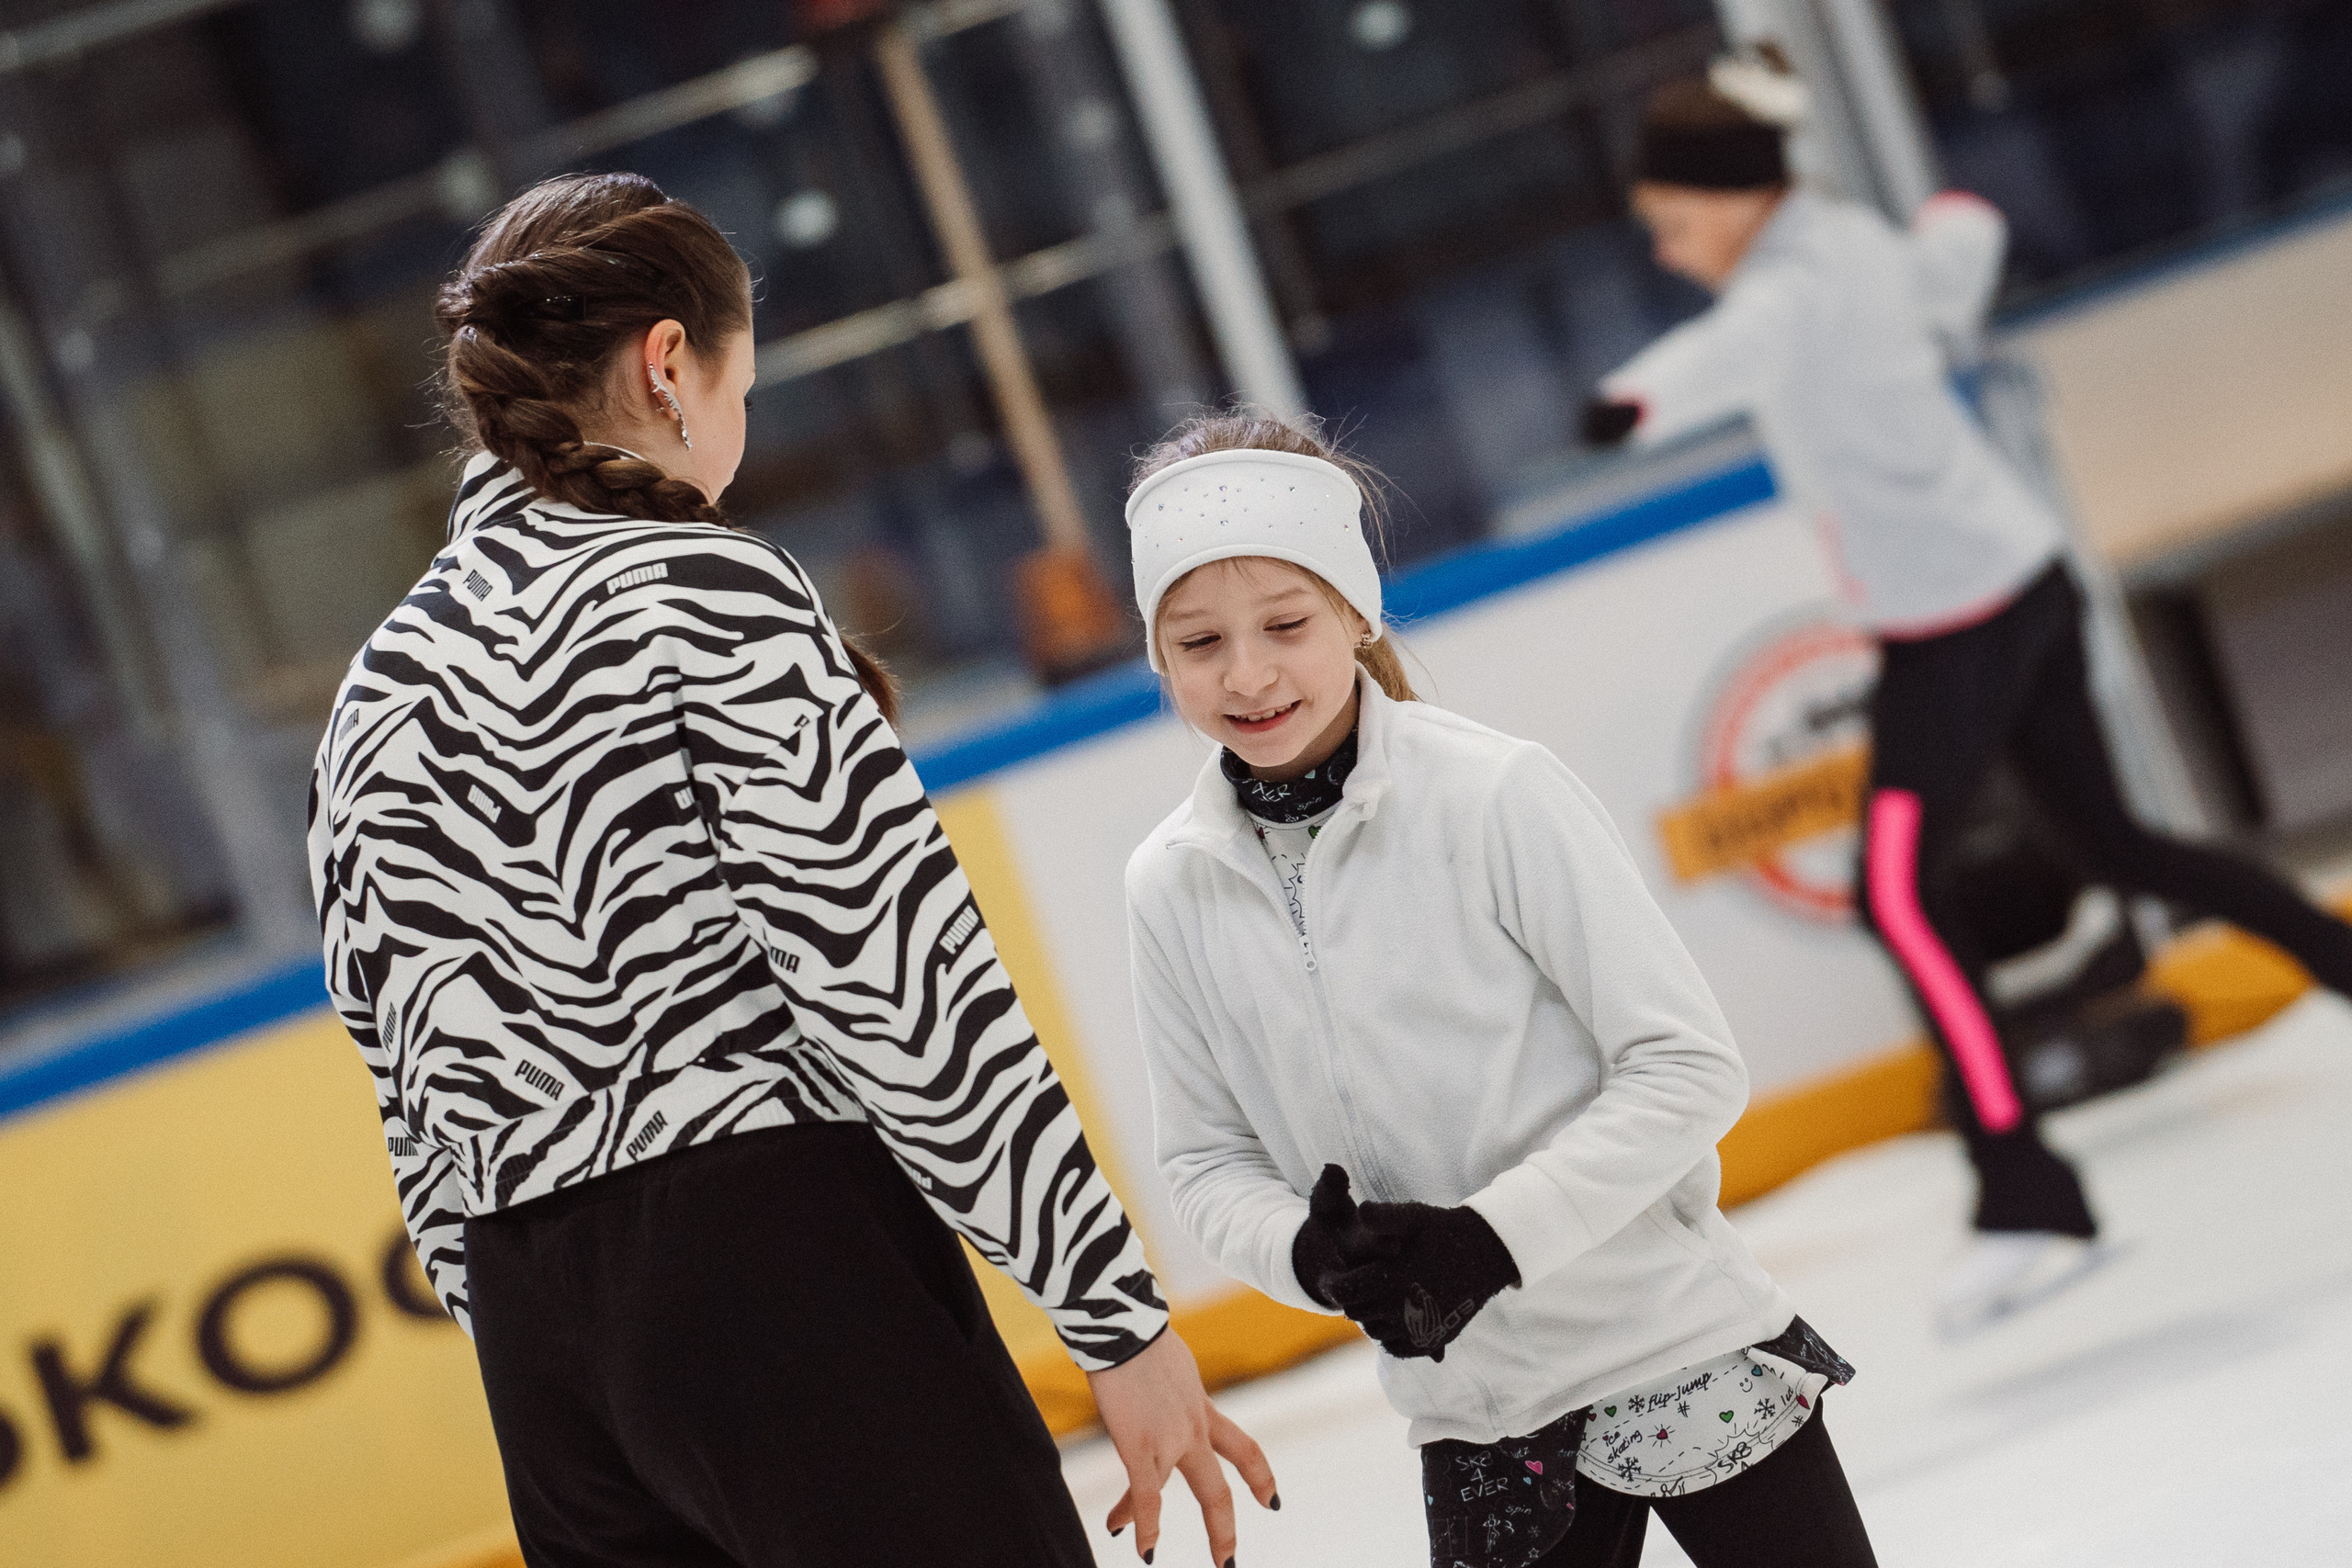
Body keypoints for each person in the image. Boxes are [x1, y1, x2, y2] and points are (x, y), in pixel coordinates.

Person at [307, 172, 1273, 1568]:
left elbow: (399, 1068)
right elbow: (901, 986)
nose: (742, 430)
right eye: (741, 384)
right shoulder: (701, 589)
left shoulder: (376, 685)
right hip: (779, 1271)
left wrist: (546, 1329)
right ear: (667, 366)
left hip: (545, 1346)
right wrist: (1110, 1314)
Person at [1584, 50, 2352, 1332]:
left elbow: (1724, 352)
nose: (1666, 250)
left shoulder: (1789, 286)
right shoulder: (1860, 246)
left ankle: (2024, 1190)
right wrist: (1945, 229)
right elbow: (1965, 234)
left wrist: (1625, 401)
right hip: (2023, 581)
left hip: (1954, 624)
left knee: (1899, 890)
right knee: (2118, 844)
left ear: (1731, 202)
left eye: (1670, 222)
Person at [1118, 412, 1878, 1567]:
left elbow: (1684, 1068)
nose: (1248, 673)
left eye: (1285, 623)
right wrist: (1305, 1255)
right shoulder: (1170, 886)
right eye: (1199, 642)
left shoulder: (1492, 796)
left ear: (1355, 612)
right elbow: (1204, 1163)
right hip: (1476, 1417)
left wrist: (1490, 1239)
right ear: (1158, 659)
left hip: (1679, 1349)